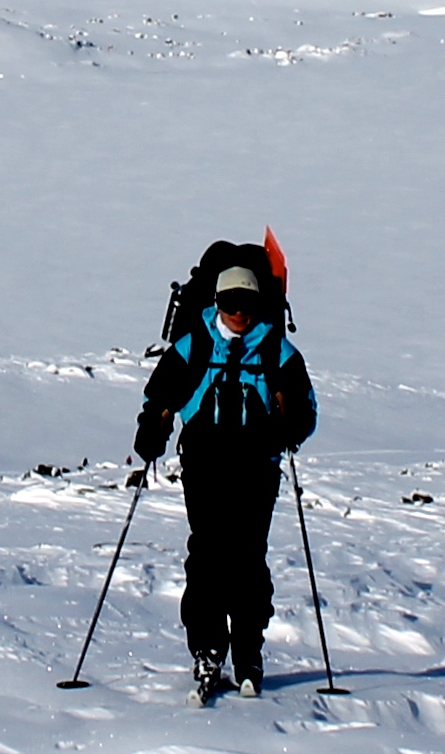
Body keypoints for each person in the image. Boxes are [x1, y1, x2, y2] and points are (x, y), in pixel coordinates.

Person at [131, 247, 316, 702]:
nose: (238, 313)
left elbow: (307, 411)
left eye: (247, 305)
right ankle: (208, 648)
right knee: (209, 551)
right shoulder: (193, 344)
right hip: (205, 461)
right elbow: (158, 398)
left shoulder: (277, 349)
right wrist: (151, 430)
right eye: (230, 304)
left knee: (249, 555)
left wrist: (289, 427)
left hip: (257, 463)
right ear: (217, 301)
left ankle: (248, 652)